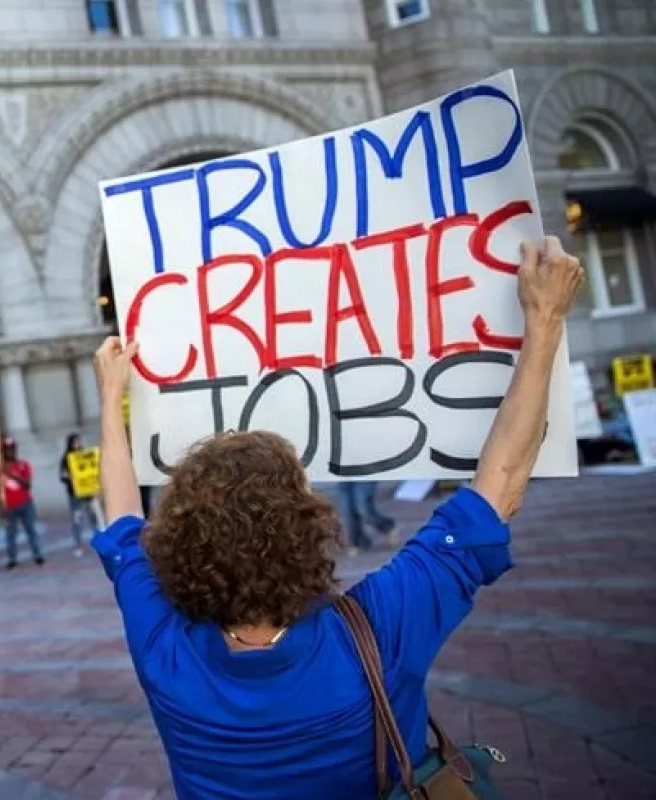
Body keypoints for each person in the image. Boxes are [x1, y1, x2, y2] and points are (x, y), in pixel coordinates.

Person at [87, 237, 582, 798]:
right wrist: (544, 321)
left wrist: (110, 396)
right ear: (309, 528)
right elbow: (499, 485)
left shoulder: (162, 643)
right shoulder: (379, 626)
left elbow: (122, 518)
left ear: (179, 543)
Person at [0, 436, 44, 569]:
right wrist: (1, 506)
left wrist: (12, 474)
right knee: (11, 533)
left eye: (12, 449)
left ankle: (37, 554)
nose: (11, 452)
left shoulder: (23, 465)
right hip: (9, 506)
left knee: (31, 530)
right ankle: (12, 558)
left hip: (25, 502)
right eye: (8, 449)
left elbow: (27, 484)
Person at [335, 481, 398, 554]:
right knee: (347, 510)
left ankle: (387, 527)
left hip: (365, 472)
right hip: (342, 475)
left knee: (363, 508)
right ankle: (359, 542)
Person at [58, 433, 94, 557]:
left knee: (93, 517)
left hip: (88, 493)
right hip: (74, 494)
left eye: (78, 441)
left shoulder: (85, 454)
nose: (77, 444)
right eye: (75, 442)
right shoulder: (66, 458)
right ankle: (78, 545)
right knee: (77, 519)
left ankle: (97, 542)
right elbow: (62, 476)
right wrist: (71, 479)